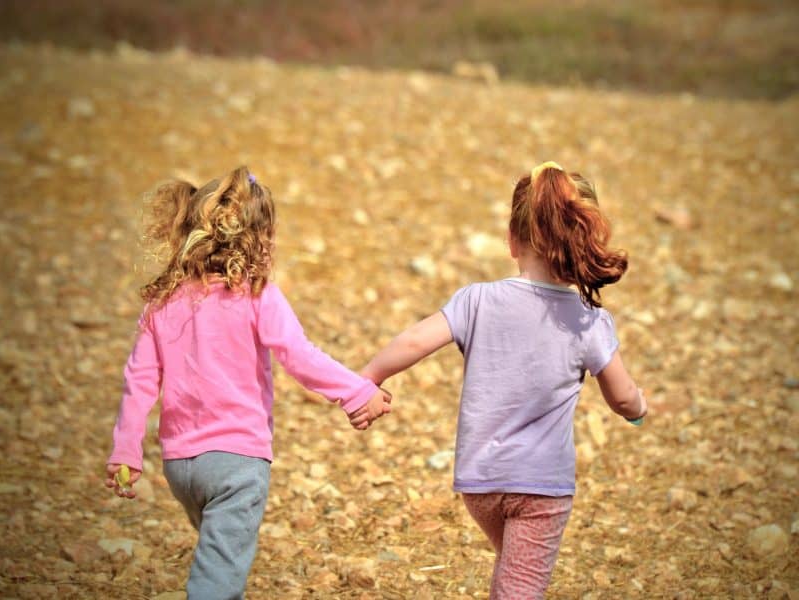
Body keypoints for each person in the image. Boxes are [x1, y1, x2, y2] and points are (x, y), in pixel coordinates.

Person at [350, 162, 647, 599]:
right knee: (519, 589)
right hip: (541, 487)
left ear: (512, 240)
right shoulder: (588, 320)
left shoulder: (478, 300)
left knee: (514, 578)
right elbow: (621, 398)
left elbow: (415, 340)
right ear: (584, 239)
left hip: (481, 483)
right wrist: (639, 408)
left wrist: (369, 377)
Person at [104, 166, 391, 599]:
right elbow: (299, 355)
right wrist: (356, 393)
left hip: (181, 466)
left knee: (222, 565)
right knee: (217, 578)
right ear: (261, 240)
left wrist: (126, 450)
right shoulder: (257, 294)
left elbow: (140, 380)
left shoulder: (163, 301)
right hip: (238, 462)